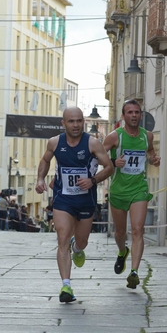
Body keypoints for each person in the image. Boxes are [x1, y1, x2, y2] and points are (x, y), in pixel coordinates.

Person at [36, 106, 114, 303]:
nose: (76, 125)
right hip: (63, 198)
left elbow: (110, 167)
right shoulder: (55, 142)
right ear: (64, 123)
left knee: (82, 241)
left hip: (85, 200)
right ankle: (66, 285)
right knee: (62, 236)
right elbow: (45, 161)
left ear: (83, 122)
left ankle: (77, 248)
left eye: (79, 121)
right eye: (71, 121)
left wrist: (93, 181)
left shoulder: (93, 143)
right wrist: (40, 179)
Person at [103, 99, 160, 288]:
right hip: (119, 190)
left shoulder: (147, 136)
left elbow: (150, 153)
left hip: (139, 189)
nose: (134, 115)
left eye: (137, 112)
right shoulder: (114, 137)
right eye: (130, 112)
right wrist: (113, 162)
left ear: (141, 115)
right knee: (120, 232)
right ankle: (122, 252)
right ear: (123, 116)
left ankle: (134, 272)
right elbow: (97, 156)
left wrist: (154, 160)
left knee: (137, 230)